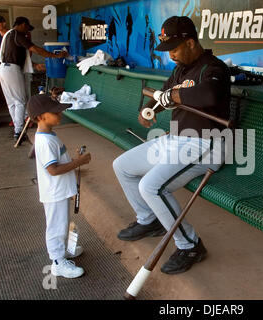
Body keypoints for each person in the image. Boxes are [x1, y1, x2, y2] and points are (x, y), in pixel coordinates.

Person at [113, 16, 231, 274]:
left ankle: (190, 245)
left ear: (190, 42)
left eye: (174, 49)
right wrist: (148, 109)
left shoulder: (214, 68)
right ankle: (149, 220)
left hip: (207, 144)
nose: (171, 55)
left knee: (151, 187)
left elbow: (208, 94)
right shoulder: (179, 70)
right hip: (176, 139)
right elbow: (161, 95)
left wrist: (174, 95)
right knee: (121, 165)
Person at [27, 93, 91, 278]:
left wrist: (74, 159)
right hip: (54, 193)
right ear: (41, 117)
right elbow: (53, 170)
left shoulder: (50, 135)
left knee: (62, 224)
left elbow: (59, 160)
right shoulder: (45, 141)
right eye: (55, 112)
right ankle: (57, 262)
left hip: (59, 190)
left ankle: (62, 252)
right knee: (56, 226)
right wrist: (79, 162)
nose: (60, 114)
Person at [0, 16, 68, 141]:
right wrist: (54, 56)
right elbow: (35, 49)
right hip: (11, 69)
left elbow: (18, 55)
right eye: (27, 29)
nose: (27, 32)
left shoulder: (9, 35)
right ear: (23, 24)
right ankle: (19, 131)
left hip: (3, 68)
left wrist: (35, 65)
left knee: (12, 102)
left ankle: (17, 129)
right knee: (20, 101)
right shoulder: (17, 34)